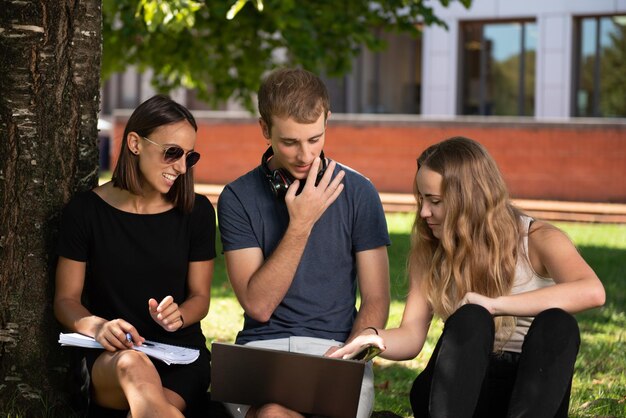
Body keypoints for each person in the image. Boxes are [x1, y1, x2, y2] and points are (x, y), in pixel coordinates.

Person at [331, 136, 606, 417]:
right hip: (458, 392)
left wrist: (495, 305)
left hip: (527, 395)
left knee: (559, 323)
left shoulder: (538, 239)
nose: (424, 212)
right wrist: (372, 337)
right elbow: (412, 336)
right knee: (471, 318)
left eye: (435, 201)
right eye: (421, 200)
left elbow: (592, 291)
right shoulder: (431, 249)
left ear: (470, 200)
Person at [217, 67, 391, 418]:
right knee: (272, 413)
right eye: (290, 142)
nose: (305, 155)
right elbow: (259, 305)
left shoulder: (360, 192)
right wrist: (301, 224)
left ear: (327, 120)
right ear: (265, 130)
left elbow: (376, 299)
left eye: (315, 139)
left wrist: (348, 359)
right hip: (265, 352)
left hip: (335, 352)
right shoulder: (237, 197)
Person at [54, 95, 216, 418]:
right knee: (134, 365)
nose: (181, 167)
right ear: (135, 143)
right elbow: (65, 300)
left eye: (189, 157)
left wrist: (179, 315)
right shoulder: (85, 212)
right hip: (112, 356)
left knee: (151, 408)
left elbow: (201, 297)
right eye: (172, 153)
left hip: (181, 357)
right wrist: (98, 326)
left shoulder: (196, 212)